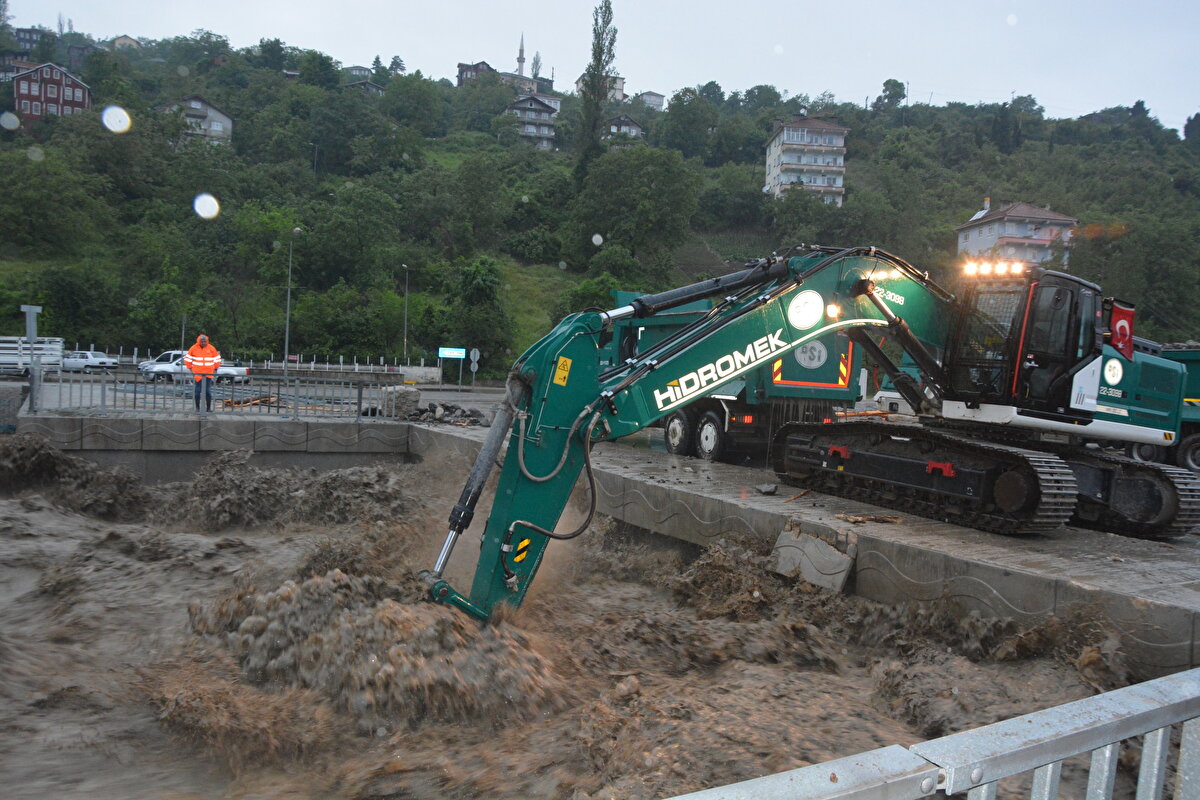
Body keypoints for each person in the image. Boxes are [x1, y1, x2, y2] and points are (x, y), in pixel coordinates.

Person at [184, 333, 222, 412]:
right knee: (197, 392)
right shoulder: (193, 348)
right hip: (197, 374)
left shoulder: (211, 348)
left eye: (205, 341)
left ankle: (208, 408)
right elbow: (187, 359)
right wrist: (191, 369)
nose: (203, 343)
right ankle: (197, 408)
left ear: (207, 341)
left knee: (208, 392)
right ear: (199, 341)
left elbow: (217, 359)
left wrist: (215, 368)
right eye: (202, 342)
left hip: (208, 374)